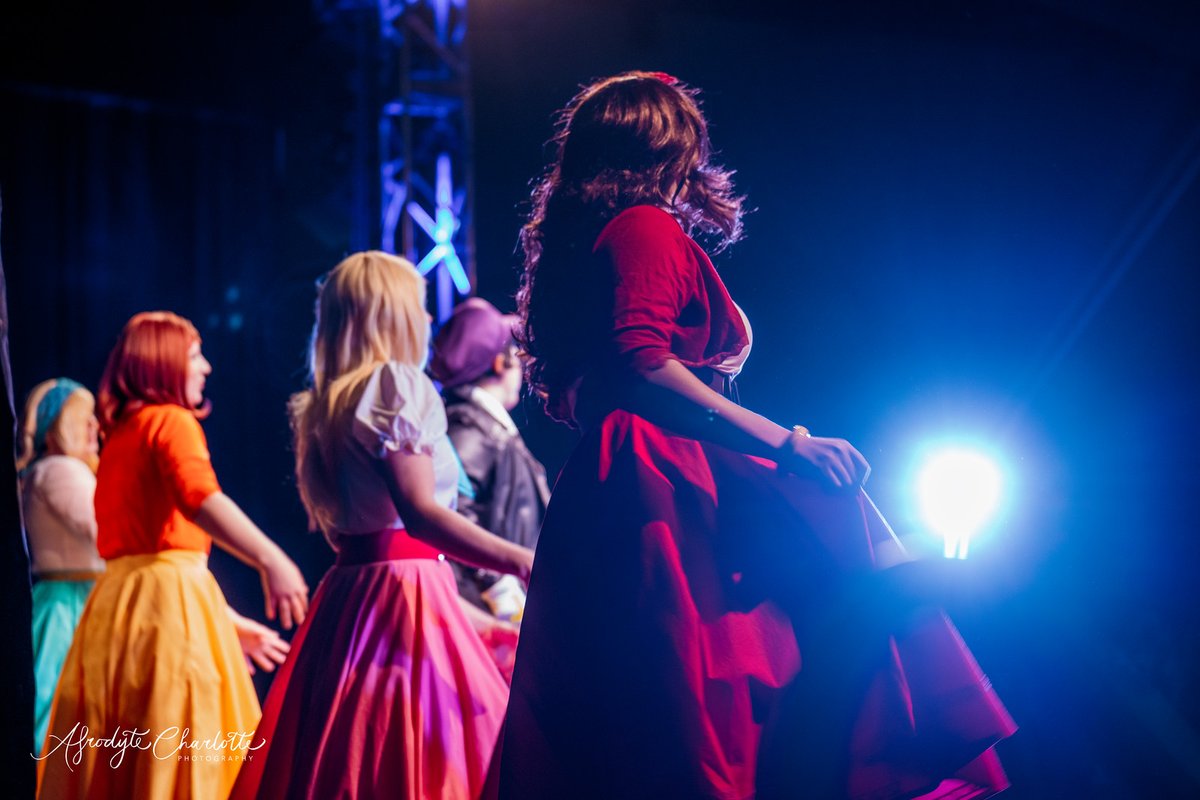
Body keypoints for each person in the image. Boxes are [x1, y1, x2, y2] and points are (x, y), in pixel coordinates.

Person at [493, 71, 1017, 800]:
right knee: (718, 694)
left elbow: (609, 380)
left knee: (669, 699)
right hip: (665, 478)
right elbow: (643, 364)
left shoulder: (594, 244)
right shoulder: (643, 228)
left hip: (636, 475)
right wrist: (789, 443)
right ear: (670, 148)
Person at [229, 252, 535, 800]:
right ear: (391, 314)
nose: (426, 321)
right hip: (400, 606)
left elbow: (362, 538)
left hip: (349, 606)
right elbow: (419, 517)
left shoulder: (325, 405)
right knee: (431, 756)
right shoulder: (396, 385)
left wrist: (471, 619)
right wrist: (521, 559)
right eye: (418, 306)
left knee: (354, 757)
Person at [37, 311, 306, 800]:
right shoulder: (170, 420)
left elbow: (149, 548)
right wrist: (271, 558)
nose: (205, 367)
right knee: (184, 751)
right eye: (193, 355)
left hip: (114, 615)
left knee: (124, 756)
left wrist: (226, 621)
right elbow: (198, 498)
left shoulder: (119, 438)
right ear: (163, 363)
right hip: (166, 613)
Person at [430, 297, 550, 613]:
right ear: (501, 362)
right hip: (489, 611)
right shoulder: (471, 428)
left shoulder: (483, 426)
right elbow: (451, 511)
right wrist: (498, 587)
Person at [17, 378, 102, 752]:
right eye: (85, 418)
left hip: (69, 598)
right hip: (70, 605)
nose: (95, 427)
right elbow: (104, 530)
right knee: (57, 717)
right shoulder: (61, 471)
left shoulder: (48, 471)